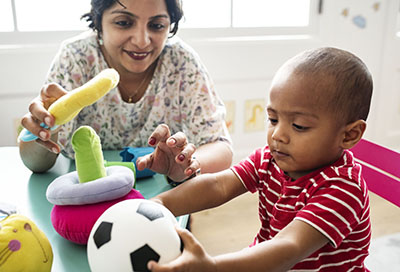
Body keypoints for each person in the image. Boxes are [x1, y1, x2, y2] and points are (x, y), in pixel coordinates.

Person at [149, 47, 373, 271]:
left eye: (299, 126)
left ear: (349, 135)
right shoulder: (269, 159)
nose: (277, 135)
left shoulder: (343, 188)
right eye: (273, 119)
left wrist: (213, 267)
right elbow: (219, 185)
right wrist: (160, 203)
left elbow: (289, 246)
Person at [19, 0, 233, 182]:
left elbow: (220, 147)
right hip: (85, 189)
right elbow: (36, 164)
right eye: (123, 23)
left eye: (157, 25)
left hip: (162, 196)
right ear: (99, 22)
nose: (142, 41)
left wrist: (183, 166)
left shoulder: (181, 62)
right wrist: (45, 129)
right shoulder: (76, 58)